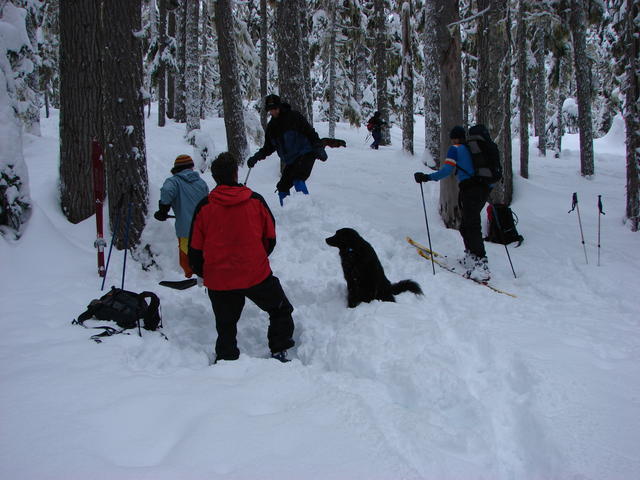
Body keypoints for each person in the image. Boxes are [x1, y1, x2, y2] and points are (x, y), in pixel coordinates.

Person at [189, 152, 296, 363]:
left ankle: (227, 360)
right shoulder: (255, 201)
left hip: (220, 278)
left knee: (225, 323)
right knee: (280, 309)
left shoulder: (205, 206)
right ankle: (279, 348)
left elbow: (194, 249)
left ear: (215, 176)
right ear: (236, 173)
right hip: (255, 274)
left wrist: (205, 272)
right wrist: (255, 257)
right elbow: (270, 237)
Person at [413, 126, 491, 282]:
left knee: (472, 225)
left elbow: (447, 170)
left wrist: (428, 177)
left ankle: (482, 265)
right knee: (467, 224)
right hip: (483, 189)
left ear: (455, 138)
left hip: (470, 190)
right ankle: (471, 256)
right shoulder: (472, 149)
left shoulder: (455, 149)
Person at [246, 94, 327, 206]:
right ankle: (287, 213)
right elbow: (268, 148)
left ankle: (308, 211)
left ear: (279, 106)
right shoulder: (272, 127)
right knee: (282, 186)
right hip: (292, 161)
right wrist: (256, 158)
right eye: (270, 110)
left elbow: (310, 133)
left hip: (306, 153)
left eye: (275, 108)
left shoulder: (294, 117)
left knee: (298, 178)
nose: (273, 112)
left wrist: (318, 147)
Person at [154, 154, 208, 278]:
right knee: (203, 255)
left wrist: (163, 210)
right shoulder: (201, 183)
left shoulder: (174, 181)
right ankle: (203, 279)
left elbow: (167, 191)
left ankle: (192, 279)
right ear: (191, 168)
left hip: (186, 230)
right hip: (204, 229)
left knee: (187, 257)